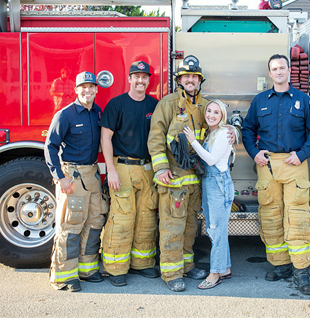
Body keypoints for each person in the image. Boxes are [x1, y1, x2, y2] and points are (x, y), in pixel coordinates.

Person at [242, 53, 310, 295]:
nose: (279, 72)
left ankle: (301, 270)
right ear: (270, 73)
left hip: (294, 162)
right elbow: (247, 129)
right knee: (271, 216)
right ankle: (280, 265)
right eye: (274, 68)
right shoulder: (260, 101)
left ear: (289, 71)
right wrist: (254, 152)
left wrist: (302, 153)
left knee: (297, 216)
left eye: (282, 68)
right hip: (267, 164)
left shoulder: (301, 99)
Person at [147, 55, 210, 292]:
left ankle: (186, 266)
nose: (190, 80)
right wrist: (161, 167)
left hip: (194, 181)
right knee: (172, 227)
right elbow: (155, 137)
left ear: (200, 80)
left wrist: (232, 131)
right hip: (173, 180)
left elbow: (221, 124)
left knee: (190, 227)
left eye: (194, 76)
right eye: (186, 76)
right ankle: (172, 273)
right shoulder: (168, 103)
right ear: (179, 80)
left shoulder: (206, 106)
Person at [45, 71, 107, 292]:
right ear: (76, 90)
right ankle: (64, 276)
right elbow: (50, 147)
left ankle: (87, 269)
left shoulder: (97, 113)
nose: (88, 91)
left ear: (96, 90)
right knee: (70, 225)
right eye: (84, 87)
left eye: (91, 87)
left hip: (91, 173)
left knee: (94, 220)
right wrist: (60, 178)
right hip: (71, 175)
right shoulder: (65, 115)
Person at [100, 61, 160, 287]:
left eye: (145, 77)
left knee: (146, 217)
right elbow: (105, 137)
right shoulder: (116, 104)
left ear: (148, 80)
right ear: (129, 79)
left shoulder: (154, 105)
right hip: (122, 168)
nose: (141, 81)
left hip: (148, 168)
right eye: (137, 76)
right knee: (122, 219)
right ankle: (116, 268)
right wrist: (111, 171)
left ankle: (142, 264)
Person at [183, 100, 234, 290]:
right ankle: (225, 268)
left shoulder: (222, 133)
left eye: (216, 113)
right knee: (216, 229)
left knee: (216, 230)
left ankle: (214, 274)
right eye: (209, 111)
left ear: (222, 116)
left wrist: (193, 142)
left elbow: (211, 160)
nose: (211, 115)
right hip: (212, 183)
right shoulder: (213, 132)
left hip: (218, 183)